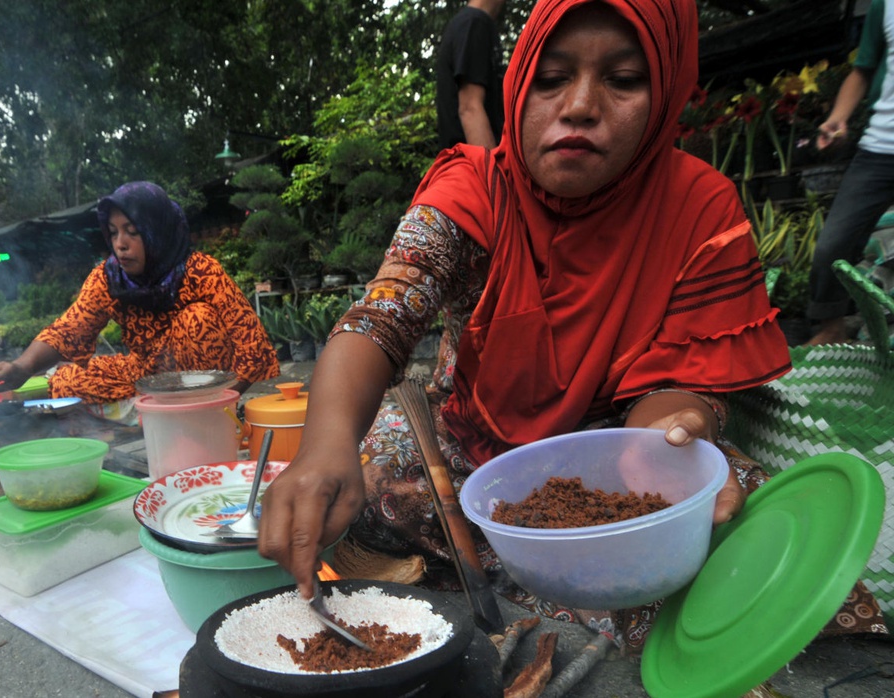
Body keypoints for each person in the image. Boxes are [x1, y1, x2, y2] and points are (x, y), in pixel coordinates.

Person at [258, 0, 886, 653]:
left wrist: (663, 459)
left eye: (623, 80)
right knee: (369, 473)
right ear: (520, 82)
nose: (581, 104)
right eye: (553, 78)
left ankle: (557, 583)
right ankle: (591, 597)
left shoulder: (700, 209)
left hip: (614, 456)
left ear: (665, 91)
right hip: (469, 452)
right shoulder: (473, 186)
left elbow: (681, 385)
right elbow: (382, 316)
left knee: (760, 530)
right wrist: (324, 444)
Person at [0, 181, 279, 417]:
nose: (120, 245)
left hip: (205, 384)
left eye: (132, 232)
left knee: (196, 319)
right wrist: (22, 367)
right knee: (63, 380)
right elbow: (69, 329)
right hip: (146, 373)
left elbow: (253, 348)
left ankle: (190, 410)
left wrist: (223, 402)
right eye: (113, 233)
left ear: (156, 232)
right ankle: (153, 410)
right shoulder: (109, 278)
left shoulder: (201, 271)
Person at [807, 0, 894, 345]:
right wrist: (837, 118)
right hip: (879, 148)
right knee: (833, 244)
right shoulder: (883, 6)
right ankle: (830, 328)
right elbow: (862, 70)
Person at [435, 0, 506, 150]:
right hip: (472, 165)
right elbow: (470, 108)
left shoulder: (477, 23)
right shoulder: (473, 23)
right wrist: (492, 172)